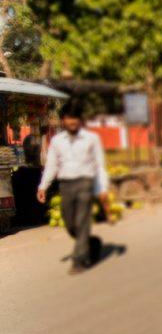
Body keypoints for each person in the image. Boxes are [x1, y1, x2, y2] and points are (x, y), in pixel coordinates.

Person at [37, 100, 109, 274]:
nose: (72, 122)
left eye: (75, 118)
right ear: (64, 120)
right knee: (70, 224)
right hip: (66, 185)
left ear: (80, 120)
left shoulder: (92, 139)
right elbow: (52, 165)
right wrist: (43, 186)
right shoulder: (57, 141)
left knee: (82, 220)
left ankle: (78, 260)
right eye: (69, 118)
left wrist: (102, 189)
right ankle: (92, 243)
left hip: (85, 182)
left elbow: (99, 165)